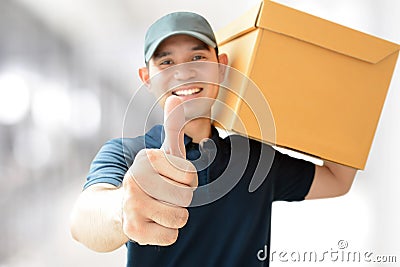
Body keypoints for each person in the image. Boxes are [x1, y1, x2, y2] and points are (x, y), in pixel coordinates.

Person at [70, 11, 357, 267]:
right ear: (147, 78)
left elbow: (337, 180)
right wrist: (123, 208)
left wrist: (338, 96)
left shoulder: (253, 158)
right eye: (167, 62)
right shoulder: (128, 154)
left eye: (197, 57)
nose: (183, 73)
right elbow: (82, 223)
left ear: (221, 67)